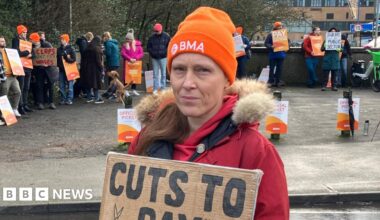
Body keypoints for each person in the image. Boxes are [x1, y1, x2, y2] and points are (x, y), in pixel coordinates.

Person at [128, 7, 289, 220]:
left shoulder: (256, 151)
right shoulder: (147, 137)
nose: (187, 83)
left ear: (226, 80)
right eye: (179, 69)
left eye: (203, 70)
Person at [12, 25, 33, 114]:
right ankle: (20, 106)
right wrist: (27, 53)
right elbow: (16, 51)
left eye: (26, 32)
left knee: (26, 87)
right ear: (19, 32)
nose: (25, 34)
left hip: (28, 67)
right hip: (20, 67)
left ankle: (25, 104)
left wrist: (31, 55)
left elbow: (32, 52)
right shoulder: (15, 40)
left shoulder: (27, 42)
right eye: (23, 32)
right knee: (21, 87)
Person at [0, 36, 22, 119]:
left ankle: (14, 109)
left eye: (4, 41)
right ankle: (4, 114)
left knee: (18, 92)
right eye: (1, 41)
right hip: (4, 77)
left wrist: (18, 71)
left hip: (13, 76)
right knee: (3, 96)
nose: (3, 42)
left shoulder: (9, 51)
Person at [147, 23, 171, 94]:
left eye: (157, 31)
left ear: (161, 30)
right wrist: (152, 53)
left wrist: (165, 53)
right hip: (154, 58)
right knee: (155, 74)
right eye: (155, 31)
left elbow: (169, 46)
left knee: (163, 73)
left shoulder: (166, 37)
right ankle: (155, 88)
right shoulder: (151, 37)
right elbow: (149, 47)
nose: (156, 32)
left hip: (163, 57)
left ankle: (163, 88)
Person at [80, 36, 104, 104]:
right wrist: (101, 68)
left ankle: (89, 98)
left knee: (88, 83)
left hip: (86, 68)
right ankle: (97, 98)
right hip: (94, 68)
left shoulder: (88, 48)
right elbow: (98, 61)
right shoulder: (97, 49)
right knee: (95, 83)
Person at [120, 29, 144, 96]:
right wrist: (129, 58)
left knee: (134, 77)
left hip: (135, 64)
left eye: (128, 39)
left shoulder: (138, 45)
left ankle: (134, 90)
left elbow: (141, 53)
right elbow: (123, 53)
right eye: (126, 39)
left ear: (132, 39)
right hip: (127, 64)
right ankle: (126, 90)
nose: (127, 41)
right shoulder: (125, 45)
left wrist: (135, 58)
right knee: (126, 77)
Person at [264, 21, 287, 87]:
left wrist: (287, 47)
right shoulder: (271, 34)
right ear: (275, 27)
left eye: (280, 26)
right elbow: (266, 43)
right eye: (278, 26)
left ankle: (277, 81)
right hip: (273, 54)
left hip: (281, 54)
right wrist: (271, 46)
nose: (280, 27)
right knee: (272, 68)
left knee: (279, 69)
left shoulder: (284, 34)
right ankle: (271, 81)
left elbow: (288, 42)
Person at [57, 34, 76, 105]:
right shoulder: (59, 49)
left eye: (63, 39)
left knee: (70, 85)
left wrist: (66, 57)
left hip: (69, 69)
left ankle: (69, 99)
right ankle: (63, 99)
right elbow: (57, 58)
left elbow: (73, 60)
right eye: (61, 39)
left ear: (66, 40)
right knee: (61, 85)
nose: (61, 41)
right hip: (61, 69)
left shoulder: (71, 49)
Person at [75, 32, 93, 98]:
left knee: (80, 78)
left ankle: (81, 92)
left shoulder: (82, 41)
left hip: (82, 62)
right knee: (83, 78)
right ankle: (84, 92)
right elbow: (84, 52)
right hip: (84, 63)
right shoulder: (83, 42)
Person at [321, 27, 340, 91]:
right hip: (327, 59)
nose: (333, 33)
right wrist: (325, 46)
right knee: (325, 74)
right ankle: (324, 85)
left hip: (335, 59)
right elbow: (321, 49)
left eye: (334, 32)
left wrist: (339, 48)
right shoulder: (326, 40)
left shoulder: (338, 41)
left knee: (335, 74)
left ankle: (334, 86)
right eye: (332, 32)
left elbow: (342, 49)